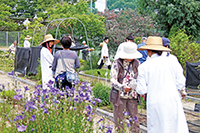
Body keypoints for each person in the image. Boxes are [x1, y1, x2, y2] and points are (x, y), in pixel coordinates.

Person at [136, 36, 188, 133]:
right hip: (173, 100)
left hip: (155, 102)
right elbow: (181, 82)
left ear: (148, 51)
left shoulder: (144, 67)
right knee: (175, 127)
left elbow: (142, 90)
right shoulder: (172, 61)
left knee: (157, 128)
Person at [110, 42, 142, 132]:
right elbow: (113, 80)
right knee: (119, 121)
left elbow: (140, 77)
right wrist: (122, 87)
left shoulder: (137, 63)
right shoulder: (117, 63)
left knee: (135, 120)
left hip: (132, 95)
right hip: (120, 96)